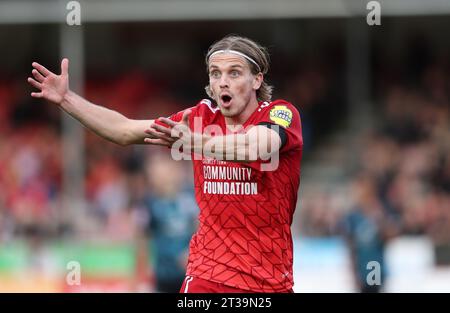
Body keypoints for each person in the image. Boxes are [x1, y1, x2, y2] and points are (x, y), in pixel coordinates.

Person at [27, 35, 303, 293]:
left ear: (257, 79)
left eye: (234, 73)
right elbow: (123, 130)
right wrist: (67, 99)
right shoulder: (200, 118)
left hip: (269, 280)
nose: (223, 82)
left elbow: (255, 146)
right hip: (207, 273)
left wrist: (193, 141)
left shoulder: (280, 113)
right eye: (215, 74)